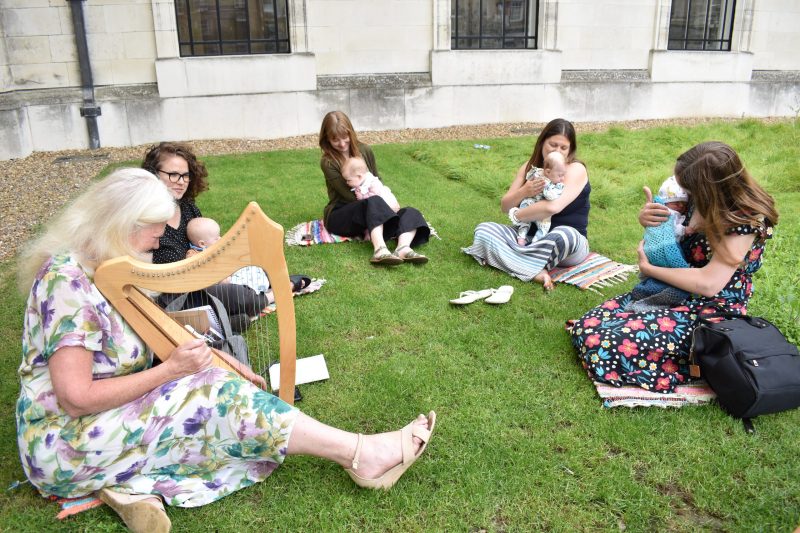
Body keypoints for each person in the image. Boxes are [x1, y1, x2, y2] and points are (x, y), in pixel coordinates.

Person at [15, 168, 436, 533]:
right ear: (120, 223)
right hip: (66, 440)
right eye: (154, 226)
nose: (162, 235)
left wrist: (216, 356)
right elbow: (74, 398)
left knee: (213, 378)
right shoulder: (67, 282)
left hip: (105, 418)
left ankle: (129, 487)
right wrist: (172, 371)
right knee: (210, 395)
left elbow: (132, 338)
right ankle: (361, 454)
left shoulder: (108, 267)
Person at [568, 141, 777, 393]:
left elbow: (708, 284)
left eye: (690, 187)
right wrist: (648, 218)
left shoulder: (744, 220)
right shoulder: (697, 200)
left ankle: (690, 361)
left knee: (601, 343)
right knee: (589, 324)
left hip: (710, 309)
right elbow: (671, 230)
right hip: (676, 289)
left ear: (709, 189)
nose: (684, 191)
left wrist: (649, 268)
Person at [141, 142, 269, 327]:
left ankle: (224, 319)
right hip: (176, 293)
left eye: (185, 175)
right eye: (173, 174)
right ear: (153, 174)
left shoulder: (188, 208)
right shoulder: (146, 218)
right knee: (242, 297)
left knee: (257, 268)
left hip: (205, 279)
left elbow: (208, 248)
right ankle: (269, 296)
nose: (181, 181)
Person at [462, 118, 591, 291]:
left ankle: (511, 260)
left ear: (571, 149)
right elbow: (505, 206)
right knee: (484, 230)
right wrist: (524, 191)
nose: (558, 151)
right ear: (542, 143)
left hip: (565, 244)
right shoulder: (528, 168)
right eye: (553, 145)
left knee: (564, 235)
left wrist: (517, 215)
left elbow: (552, 207)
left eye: (563, 147)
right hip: (527, 238)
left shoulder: (575, 169)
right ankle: (536, 270)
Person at [319, 111, 430, 265]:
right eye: (335, 140)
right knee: (375, 201)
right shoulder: (328, 162)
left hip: (371, 207)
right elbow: (347, 195)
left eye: (345, 137)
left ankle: (403, 248)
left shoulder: (365, 150)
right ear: (326, 139)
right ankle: (380, 250)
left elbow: (376, 180)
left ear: (351, 133)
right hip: (342, 213)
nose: (342, 144)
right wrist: (383, 207)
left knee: (411, 212)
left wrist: (388, 206)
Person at [624, 175, 691, 312]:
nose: (680, 206)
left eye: (683, 204)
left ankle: (651, 293)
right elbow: (668, 227)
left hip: (696, 284)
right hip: (666, 251)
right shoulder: (669, 213)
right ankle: (650, 292)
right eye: (675, 202)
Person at [509, 151, 567, 245]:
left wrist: (546, 187)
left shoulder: (557, 185)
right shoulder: (538, 173)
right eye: (560, 175)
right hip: (529, 203)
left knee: (544, 227)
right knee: (526, 222)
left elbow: (551, 196)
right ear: (548, 171)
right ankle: (521, 238)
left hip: (541, 211)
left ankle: (535, 243)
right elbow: (529, 180)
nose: (563, 179)